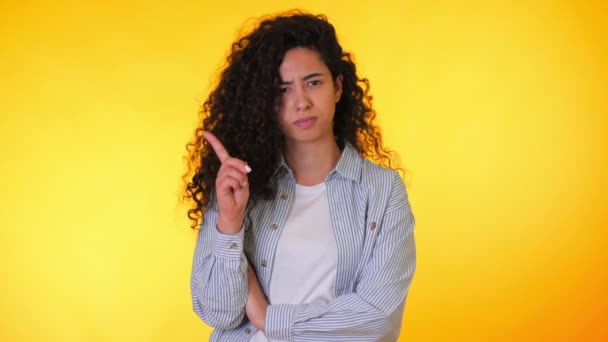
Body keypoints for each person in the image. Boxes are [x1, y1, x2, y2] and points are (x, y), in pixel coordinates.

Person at [184, 11, 416, 342]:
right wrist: (230, 225)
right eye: (283, 89)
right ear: (266, 102)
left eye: (313, 82)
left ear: (337, 87)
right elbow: (218, 312)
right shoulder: (237, 188)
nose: (301, 103)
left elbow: (377, 317)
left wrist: (268, 317)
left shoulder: (382, 191)